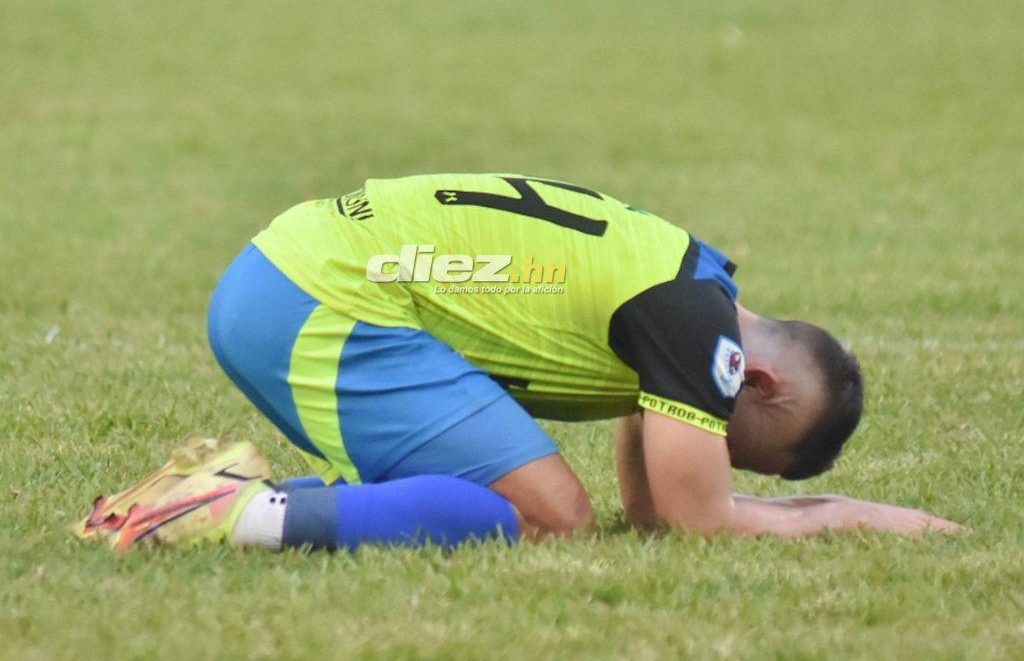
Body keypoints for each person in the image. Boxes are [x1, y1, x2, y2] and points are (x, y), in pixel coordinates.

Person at [74, 173, 961, 553]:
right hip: (319, 301)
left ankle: (226, 502)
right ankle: (226, 517)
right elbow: (694, 521)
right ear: (754, 381)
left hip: (295, 272)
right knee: (545, 516)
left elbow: (653, 516)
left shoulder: (693, 282)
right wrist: (852, 515)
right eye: (731, 445)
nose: (698, 447)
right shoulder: (703, 337)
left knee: (538, 507)